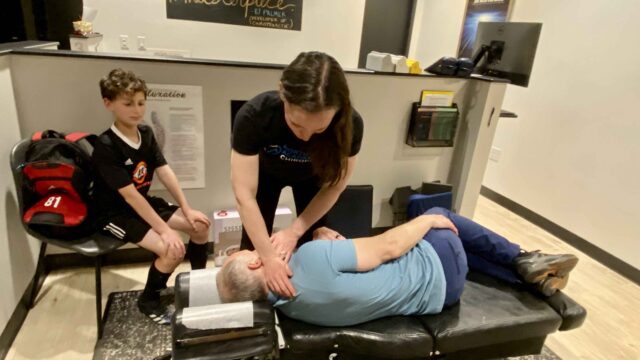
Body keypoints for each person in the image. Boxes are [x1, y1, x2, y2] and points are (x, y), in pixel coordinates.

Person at [215, 207, 578, 327]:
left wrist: (327, 243)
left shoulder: (290, 308)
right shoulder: (307, 259)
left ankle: (530, 277)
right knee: (436, 215)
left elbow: (345, 280)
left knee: (457, 245)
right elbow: (387, 248)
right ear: (253, 262)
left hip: (442, 296)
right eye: (246, 252)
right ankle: (522, 257)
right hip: (435, 271)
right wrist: (425, 222)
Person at [231, 51, 364, 298]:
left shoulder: (350, 124)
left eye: (320, 129)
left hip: (313, 179)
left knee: (314, 247)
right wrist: (269, 258)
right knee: (255, 254)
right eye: (297, 125)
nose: (305, 137)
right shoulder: (255, 115)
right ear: (282, 91)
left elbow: (335, 187)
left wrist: (294, 232)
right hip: (265, 177)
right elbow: (244, 195)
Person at [93, 69, 211, 324]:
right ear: (108, 103)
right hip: (114, 213)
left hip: (142, 205)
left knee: (199, 227)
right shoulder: (106, 146)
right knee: (172, 250)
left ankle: (199, 284)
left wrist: (187, 208)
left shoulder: (146, 133)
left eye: (141, 103)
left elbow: (165, 171)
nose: (136, 110)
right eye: (127, 104)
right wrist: (165, 231)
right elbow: (131, 198)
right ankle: (149, 300)